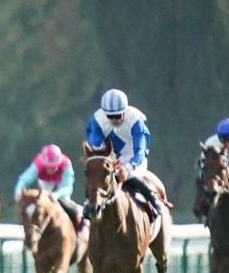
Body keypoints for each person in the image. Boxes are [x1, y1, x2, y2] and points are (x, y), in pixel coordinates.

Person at [85, 88, 164, 217]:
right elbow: (95, 147)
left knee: (131, 177)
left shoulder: (135, 119)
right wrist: (107, 162)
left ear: (124, 111)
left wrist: (127, 169)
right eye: (110, 116)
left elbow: (140, 150)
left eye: (118, 116)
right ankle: (89, 207)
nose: (114, 120)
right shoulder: (97, 120)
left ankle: (153, 200)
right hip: (110, 159)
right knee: (97, 178)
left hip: (134, 159)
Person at [13, 144, 86, 231]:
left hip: (61, 181)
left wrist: (56, 195)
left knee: (65, 200)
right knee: (43, 202)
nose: (51, 169)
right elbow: (24, 180)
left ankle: (78, 226)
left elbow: (68, 188)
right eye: (48, 166)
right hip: (45, 180)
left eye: (54, 166)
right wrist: (18, 192)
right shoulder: (38, 163)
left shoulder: (66, 164)